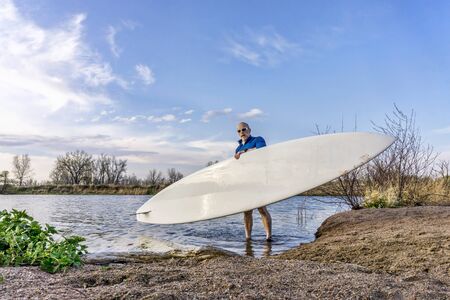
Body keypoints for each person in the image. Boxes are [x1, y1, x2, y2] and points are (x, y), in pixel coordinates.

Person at [234, 122, 272, 241]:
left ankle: (269, 237)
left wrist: (244, 153)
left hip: (258, 180)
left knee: (261, 208)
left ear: (249, 130)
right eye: (239, 131)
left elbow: (262, 152)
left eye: (244, 129)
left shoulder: (258, 139)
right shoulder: (238, 148)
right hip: (245, 182)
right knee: (247, 211)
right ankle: (248, 238)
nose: (242, 133)